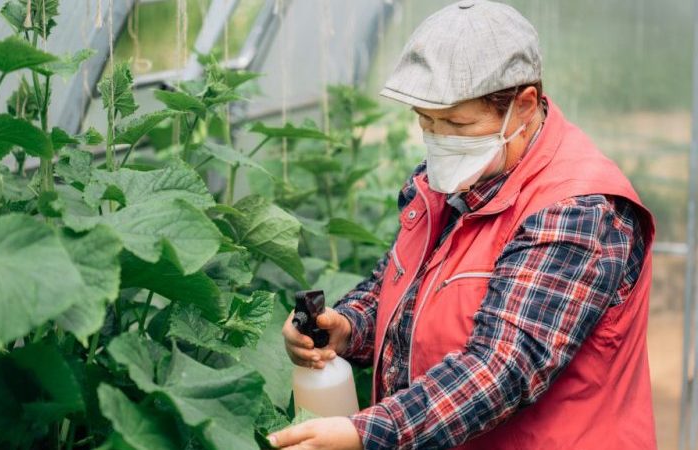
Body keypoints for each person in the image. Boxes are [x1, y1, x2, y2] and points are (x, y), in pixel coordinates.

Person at [269, 1, 657, 449]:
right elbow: (401, 289)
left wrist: (366, 432)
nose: (439, 139)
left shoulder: (577, 208)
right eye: (427, 122)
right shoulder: (451, 180)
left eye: (457, 123)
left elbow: (502, 366)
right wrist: (348, 325)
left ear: (524, 106)